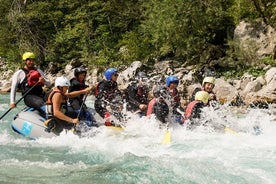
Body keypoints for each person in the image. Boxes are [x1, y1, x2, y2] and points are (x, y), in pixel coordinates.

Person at [10, 52, 51, 117]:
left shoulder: (38, 71)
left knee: (54, 95)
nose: (32, 62)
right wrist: (12, 102)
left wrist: (44, 81)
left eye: (33, 60)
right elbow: (13, 88)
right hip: (29, 97)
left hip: (41, 94)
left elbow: (49, 84)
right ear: (25, 61)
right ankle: (50, 120)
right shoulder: (19, 73)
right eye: (29, 60)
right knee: (43, 104)